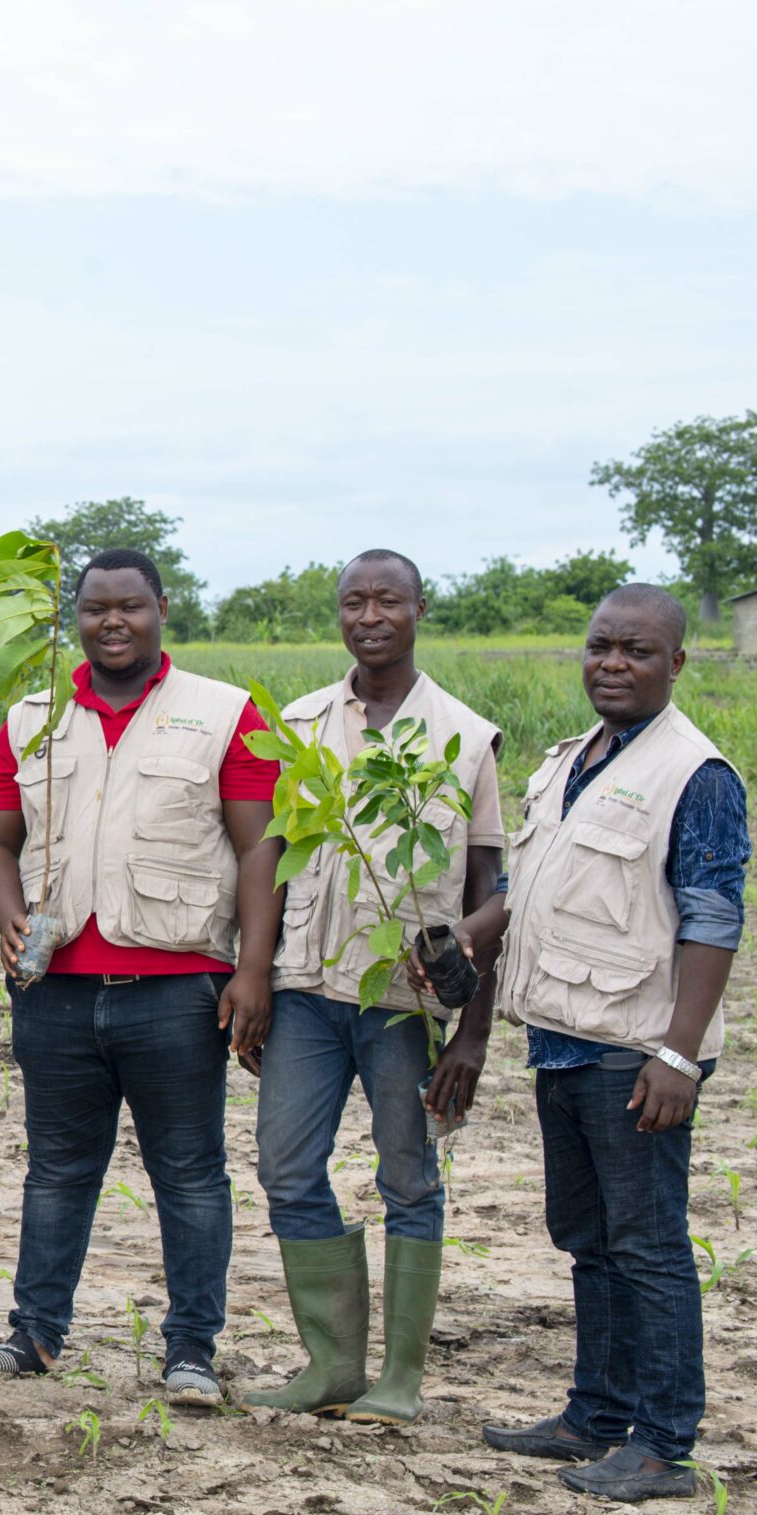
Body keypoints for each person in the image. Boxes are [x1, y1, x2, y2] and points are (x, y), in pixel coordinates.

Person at [0, 548, 279, 1406]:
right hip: (56, 989)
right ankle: (35, 1334)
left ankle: (191, 1353)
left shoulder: (224, 713)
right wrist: (7, 915)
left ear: (162, 609)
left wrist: (252, 968)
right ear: (75, 615)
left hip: (179, 990)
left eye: (130, 606)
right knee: (57, 1169)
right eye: (96, 607)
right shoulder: (35, 714)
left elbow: (261, 847)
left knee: (189, 1170)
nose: (113, 621)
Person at [454, 585, 744, 1502]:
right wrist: (471, 933)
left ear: (676, 663)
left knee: (647, 1243)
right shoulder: (573, 760)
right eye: (601, 646)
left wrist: (678, 1054)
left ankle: (662, 1444)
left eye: (638, 651)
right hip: (562, 1037)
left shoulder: (696, 775)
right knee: (587, 1237)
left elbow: (713, 920)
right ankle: (595, 1414)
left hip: (634, 1049)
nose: (614, 664)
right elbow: (529, 881)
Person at [247, 551, 504, 1425]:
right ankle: (331, 1364)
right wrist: (254, 977)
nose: (370, 614)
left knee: (409, 1178)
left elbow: (491, 895)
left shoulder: (465, 736)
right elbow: (276, 859)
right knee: (285, 1163)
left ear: (419, 608)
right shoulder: (303, 722)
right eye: (354, 600)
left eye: (387, 598)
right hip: (308, 991)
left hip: (405, 1001)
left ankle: (399, 1379)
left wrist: (470, 1032)